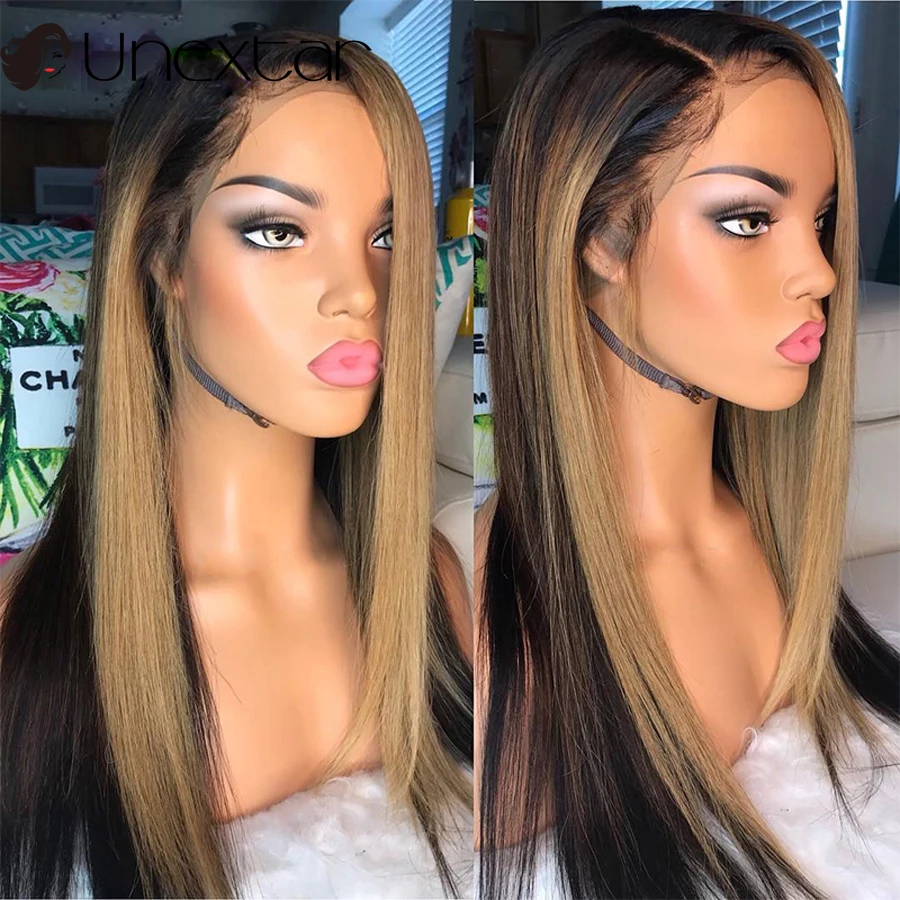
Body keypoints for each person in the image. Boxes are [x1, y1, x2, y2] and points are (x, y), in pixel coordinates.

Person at [1, 30, 473, 899]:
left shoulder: (433, 593)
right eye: (278, 230)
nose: (359, 291)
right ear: (163, 256)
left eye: (386, 234)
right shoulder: (28, 648)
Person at [474, 8, 900, 900]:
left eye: (820, 218)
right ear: (601, 238)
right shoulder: (496, 626)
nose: (821, 272)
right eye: (747, 219)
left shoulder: (771, 541)